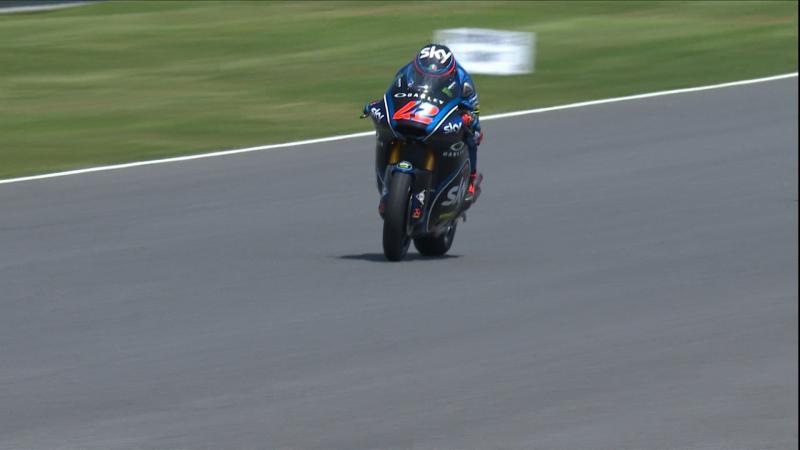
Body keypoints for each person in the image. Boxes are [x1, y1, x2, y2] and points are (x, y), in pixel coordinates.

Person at [365, 43, 484, 201]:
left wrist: (470, 118)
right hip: (417, 110)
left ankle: (471, 179)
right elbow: (392, 93)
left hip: (446, 114)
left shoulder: (463, 80)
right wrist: (378, 105)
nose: (427, 78)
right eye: (423, 74)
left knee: (474, 136)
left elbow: (474, 109)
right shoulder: (406, 71)